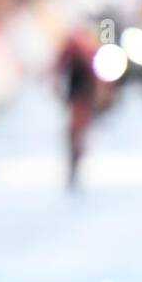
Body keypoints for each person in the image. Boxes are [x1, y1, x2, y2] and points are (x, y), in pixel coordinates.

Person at [55, 26, 100, 189]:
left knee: (77, 130)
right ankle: (75, 161)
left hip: (81, 95)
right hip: (79, 95)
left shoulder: (83, 48)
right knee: (76, 130)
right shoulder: (80, 47)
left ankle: (76, 161)